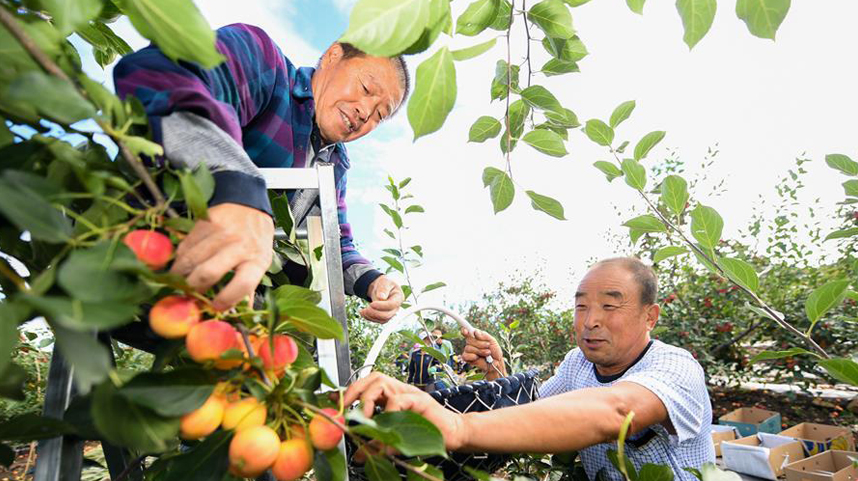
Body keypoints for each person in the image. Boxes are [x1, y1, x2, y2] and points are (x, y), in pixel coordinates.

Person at [113, 23, 407, 322]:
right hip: (133, 257)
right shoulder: (265, 62)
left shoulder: (334, 164)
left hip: (218, 308)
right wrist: (235, 185)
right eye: (367, 88)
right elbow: (165, 74)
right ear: (333, 56)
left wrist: (373, 280)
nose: (366, 112)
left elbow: (336, 243)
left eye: (380, 114)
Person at [344, 257, 714, 480]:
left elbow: (616, 412)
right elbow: (531, 413)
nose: (590, 322)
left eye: (610, 306)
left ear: (650, 316)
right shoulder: (578, 363)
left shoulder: (676, 368)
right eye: (582, 306)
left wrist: (456, 426)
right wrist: (497, 371)